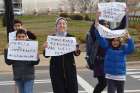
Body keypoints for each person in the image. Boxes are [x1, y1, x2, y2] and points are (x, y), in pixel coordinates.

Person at [86, 10, 128, 93]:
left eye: (107, 24)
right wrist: (97, 17)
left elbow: (122, 26)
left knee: (108, 83)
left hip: (108, 62)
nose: (106, 25)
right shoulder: (96, 34)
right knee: (103, 82)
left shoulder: (111, 34)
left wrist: (125, 14)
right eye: (104, 24)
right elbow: (94, 27)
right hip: (98, 62)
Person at [94, 12, 135, 93]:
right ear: (110, 41)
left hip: (120, 76)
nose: (115, 42)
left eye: (117, 40)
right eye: (113, 40)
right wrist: (97, 21)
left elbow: (131, 49)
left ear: (119, 41)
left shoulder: (123, 48)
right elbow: (99, 38)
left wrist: (129, 39)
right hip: (110, 76)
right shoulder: (107, 47)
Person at [43, 17, 81, 93]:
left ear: (66, 26)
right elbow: (46, 55)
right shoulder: (52, 38)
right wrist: (45, 48)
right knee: (59, 90)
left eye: (64, 23)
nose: (62, 25)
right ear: (56, 26)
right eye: (59, 23)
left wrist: (77, 49)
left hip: (70, 69)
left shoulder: (71, 37)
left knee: (72, 89)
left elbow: (76, 53)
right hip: (56, 70)